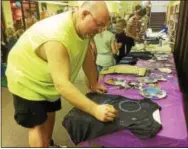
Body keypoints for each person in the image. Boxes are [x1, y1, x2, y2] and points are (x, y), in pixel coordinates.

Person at [6, 1, 117, 147]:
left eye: (103, 26)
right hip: (26, 79)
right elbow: (62, 85)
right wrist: (95, 109)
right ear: (84, 14)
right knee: (37, 125)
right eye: (98, 24)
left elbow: (86, 54)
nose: (100, 30)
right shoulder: (57, 36)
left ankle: (48, 144)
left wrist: (93, 83)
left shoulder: (82, 28)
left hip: (48, 79)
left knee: (50, 112)